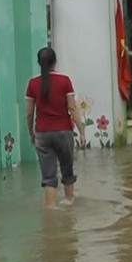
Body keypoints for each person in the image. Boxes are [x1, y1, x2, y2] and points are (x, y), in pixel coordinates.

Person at [25, 47, 88, 207]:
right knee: (67, 170)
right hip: (64, 131)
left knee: (48, 177)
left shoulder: (33, 83)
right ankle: (69, 203)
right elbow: (72, 108)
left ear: (39, 63)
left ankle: (51, 209)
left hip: (42, 133)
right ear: (55, 62)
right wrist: (82, 132)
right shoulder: (65, 81)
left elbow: (29, 113)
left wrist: (31, 132)